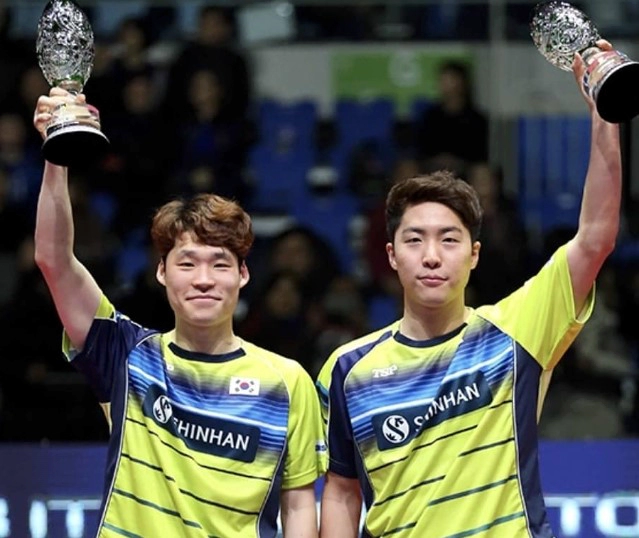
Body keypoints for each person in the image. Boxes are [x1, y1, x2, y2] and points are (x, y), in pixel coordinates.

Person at [316, 42, 621, 537]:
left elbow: (595, 239)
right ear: (391, 255)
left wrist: (604, 115)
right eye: (414, 240)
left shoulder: (516, 330)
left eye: (449, 239)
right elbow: (342, 491)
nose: (431, 255)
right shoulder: (348, 370)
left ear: (474, 254)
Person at [32, 88, 326, 537]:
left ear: (243, 275)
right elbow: (54, 259)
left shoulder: (287, 382)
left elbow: (300, 506)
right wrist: (58, 153)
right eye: (187, 263)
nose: (203, 279)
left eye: (220, 264)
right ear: (162, 272)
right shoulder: (127, 356)